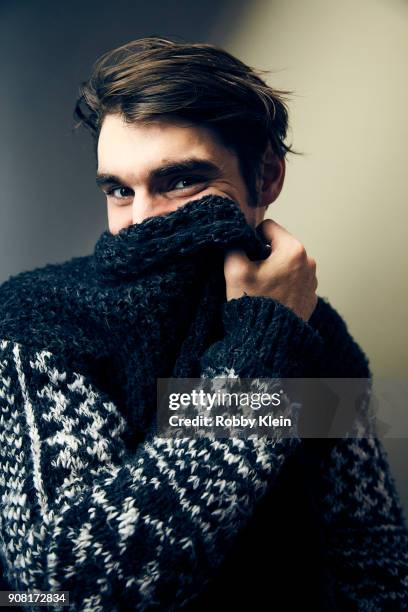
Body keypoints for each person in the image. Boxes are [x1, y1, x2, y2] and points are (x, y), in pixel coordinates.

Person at [0, 36, 406, 611]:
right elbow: (71, 590)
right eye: (120, 190)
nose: (141, 221)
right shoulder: (38, 323)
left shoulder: (317, 338)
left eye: (179, 182)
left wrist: (273, 333)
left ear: (265, 178)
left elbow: (370, 566)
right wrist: (259, 350)